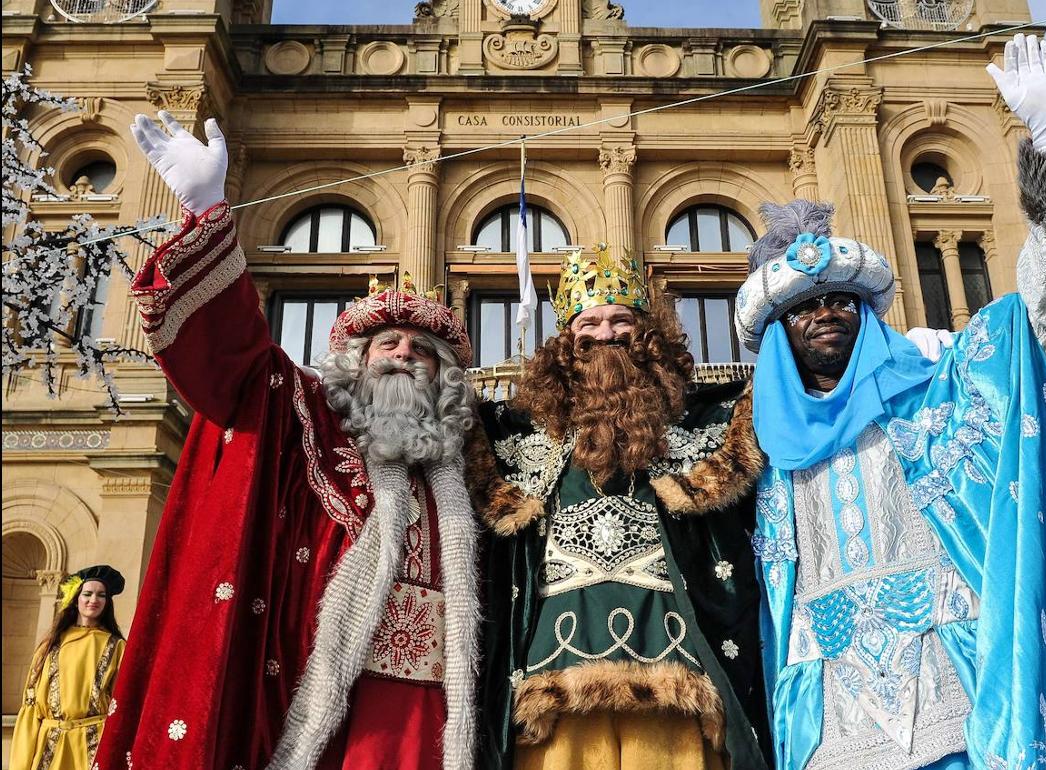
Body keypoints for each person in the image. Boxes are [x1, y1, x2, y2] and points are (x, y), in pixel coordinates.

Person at [737, 34, 1046, 769]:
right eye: (803, 306)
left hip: (959, 703)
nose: (825, 313)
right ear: (778, 334)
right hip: (828, 724)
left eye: (840, 299)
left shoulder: (935, 391)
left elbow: (1043, 326)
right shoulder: (754, 452)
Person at [94, 112, 481, 770]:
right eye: (388, 343)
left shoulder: (472, 458)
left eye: (422, 350)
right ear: (357, 362)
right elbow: (241, 359)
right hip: (320, 700)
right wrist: (210, 214)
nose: (403, 356)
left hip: (433, 713)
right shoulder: (306, 415)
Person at [465, 245, 771, 769]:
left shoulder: (704, 423)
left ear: (646, 334)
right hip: (552, 679)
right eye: (589, 323)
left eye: (620, 321)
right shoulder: (515, 435)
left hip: (676, 673)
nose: (605, 334)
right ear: (566, 341)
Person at [11, 565, 126, 770]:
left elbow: (122, 702)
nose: (94, 600)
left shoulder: (116, 646)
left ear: (107, 602)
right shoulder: (50, 646)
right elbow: (31, 705)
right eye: (87, 594)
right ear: (75, 598)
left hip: (94, 745)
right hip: (50, 745)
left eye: (101, 595)